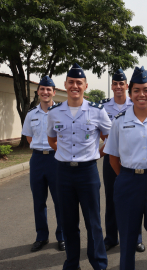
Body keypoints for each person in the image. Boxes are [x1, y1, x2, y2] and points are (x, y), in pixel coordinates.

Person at [104, 66, 147, 270]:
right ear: (130, 93)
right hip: (127, 181)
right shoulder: (119, 122)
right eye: (136, 90)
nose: (141, 94)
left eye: (146, 90)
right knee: (127, 238)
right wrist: (127, 177)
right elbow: (113, 158)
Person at [47, 63, 111, 270]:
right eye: (71, 82)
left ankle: (99, 264)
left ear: (85, 86)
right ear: (65, 85)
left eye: (79, 83)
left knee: (93, 223)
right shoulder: (55, 112)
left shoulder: (97, 111)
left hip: (87, 172)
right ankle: (72, 263)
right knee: (68, 223)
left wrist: (96, 154)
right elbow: (51, 139)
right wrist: (63, 154)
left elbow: (110, 138)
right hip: (63, 173)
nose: (75, 86)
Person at [99, 68, 145, 253]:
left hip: (131, 159)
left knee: (135, 199)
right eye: (115, 84)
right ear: (112, 87)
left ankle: (136, 238)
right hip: (111, 159)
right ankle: (111, 237)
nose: (118, 87)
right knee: (111, 198)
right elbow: (99, 132)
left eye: (121, 84)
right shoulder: (102, 107)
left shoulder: (135, 104)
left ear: (127, 86)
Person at [21, 76, 65, 252]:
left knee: (59, 200)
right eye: (42, 89)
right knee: (38, 201)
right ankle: (41, 236)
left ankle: (62, 236)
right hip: (38, 159)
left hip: (55, 159)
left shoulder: (62, 112)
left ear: (54, 92)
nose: (45, 92)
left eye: (49, 89)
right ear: (38, 92)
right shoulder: (31, 114)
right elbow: (29, 137)